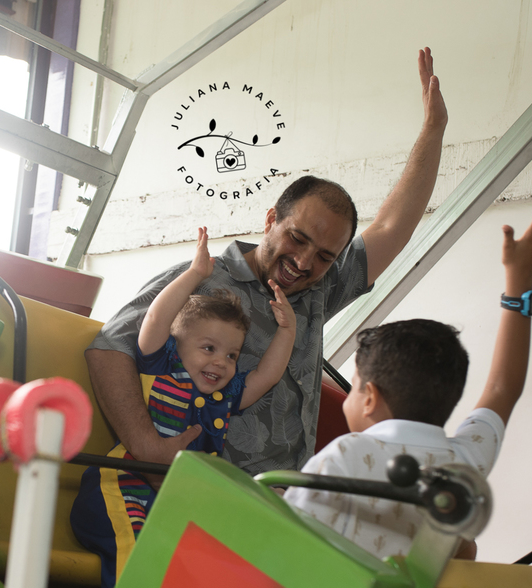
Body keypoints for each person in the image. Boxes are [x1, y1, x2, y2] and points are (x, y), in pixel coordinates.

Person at [86, 48, 450, 477]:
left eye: (324, 256)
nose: (302, 262)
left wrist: (434, 129)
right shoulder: (200, 281)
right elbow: (109, 347)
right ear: (271, 219)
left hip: (278, 494)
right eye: (297, 238)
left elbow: (391, 227)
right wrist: (146, 445)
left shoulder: (319, 289)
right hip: (200, 488)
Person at [283, 193, 532, 560]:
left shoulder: (346, 454)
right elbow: (503, 389)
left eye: (356, 386)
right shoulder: (464, 464)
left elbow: (287, 543)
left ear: (371, 397)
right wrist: (520, 280)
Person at [72, 227, 296, 588]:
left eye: (231, 355)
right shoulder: (163, 364)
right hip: (123, 490)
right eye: (208, 348)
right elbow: (157, 319)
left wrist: (288, 329)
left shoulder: (225, 397)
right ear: (178, 346)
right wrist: (195, 274)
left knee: (199, 564)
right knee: (139, 552)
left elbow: (268, 375)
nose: (220, 362)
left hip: (175, 502)